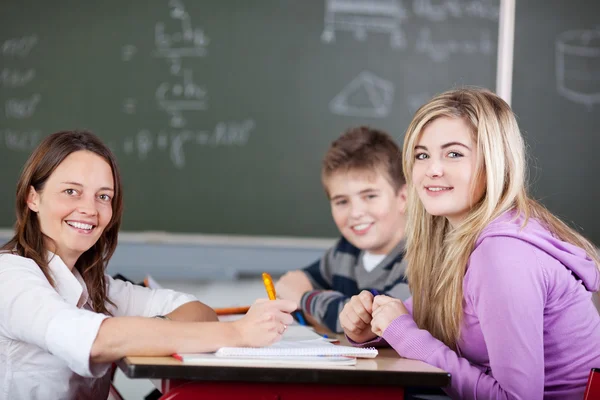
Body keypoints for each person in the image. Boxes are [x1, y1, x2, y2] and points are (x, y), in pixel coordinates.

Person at [340, 88, 600, 399]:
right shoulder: (460, 241)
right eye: (422, 155)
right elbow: (421, 319)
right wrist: (373, 328)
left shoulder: (502, 257)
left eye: (454, 154)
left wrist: (406, 335)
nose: (432, 169)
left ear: (495, 163)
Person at [0, 130, 296, 399]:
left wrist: (151, 330)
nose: (90, 209)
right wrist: (239, 333)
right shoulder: (11, 276)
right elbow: (96, 340)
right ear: (32, 198)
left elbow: (199, 312)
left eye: (104, 196)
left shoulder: (95, 286)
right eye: (71, 191)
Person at [275, 126, 411, 333]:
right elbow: (289, 287)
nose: (355, 212)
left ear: (403, 198)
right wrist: (320, 308)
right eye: (341, 201)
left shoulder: (419, 259)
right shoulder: (344, 251)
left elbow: (368, 325)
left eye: (370, 196)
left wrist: (306, 299)